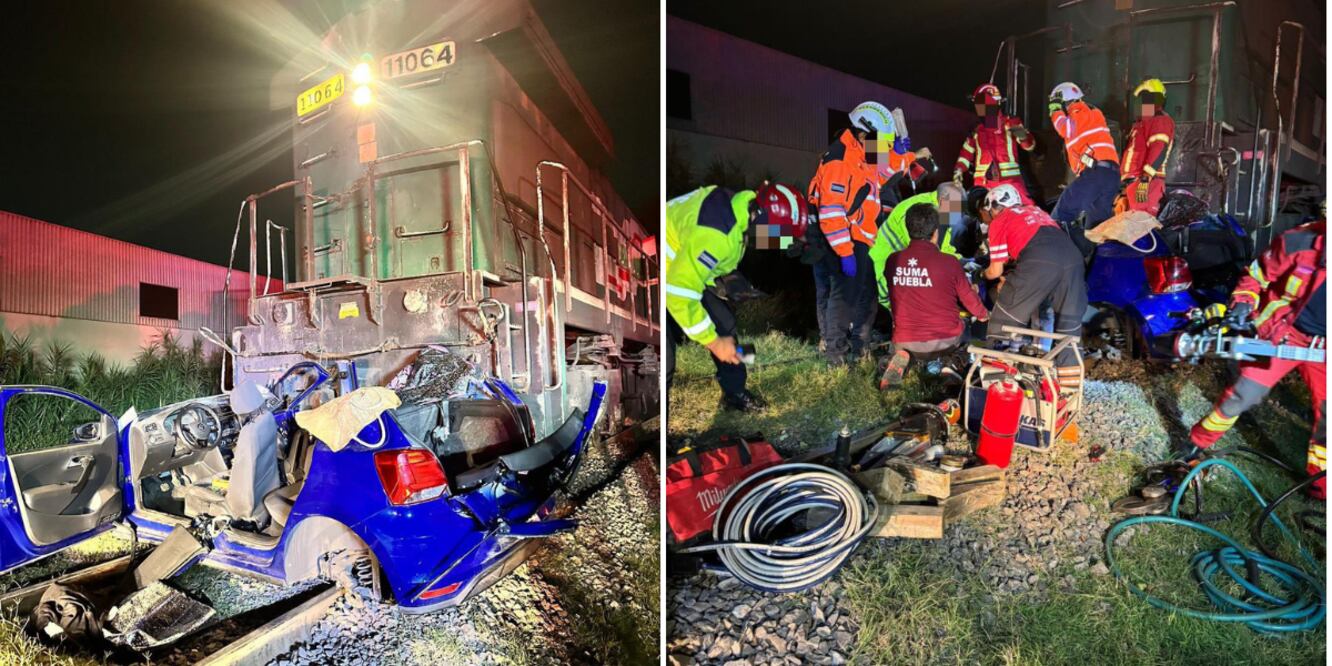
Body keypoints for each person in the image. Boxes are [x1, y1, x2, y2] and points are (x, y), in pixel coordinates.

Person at [1186, 219, 1326, 499]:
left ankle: (1320, 486)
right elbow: (1256, 276)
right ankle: (1193, 445)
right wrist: (1242, 305)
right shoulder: (1299, 240)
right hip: (1282, 335)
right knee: (1243, 395)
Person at [665, 183, 805, 412]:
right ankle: (663, 434)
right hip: (664, 276)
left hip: (688, 269)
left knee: (726, 324)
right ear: (762, 221)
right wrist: (713, 342)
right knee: (666, 360)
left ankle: (735, 393)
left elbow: (752, 236)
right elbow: (678, 291)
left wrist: (796, 243)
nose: (777, 240)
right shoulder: (717, 234)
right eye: (778, 233)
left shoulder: (742, 207)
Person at [808, 101, 928, 365]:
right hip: (841, 240)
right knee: (841, 299)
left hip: (857, 238)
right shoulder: (838, 161)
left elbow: (880, 176)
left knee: (863, 297)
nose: (883, 147)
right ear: (864, 133)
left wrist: (903, 156)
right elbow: (830, 213)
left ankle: (857, 349)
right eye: (881, 141)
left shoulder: (859, 155)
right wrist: (845, 253)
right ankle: (835, 357)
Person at [979, 184, 1086, 394]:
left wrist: (979, 274)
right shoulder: (1037, 211)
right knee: (1069, 330)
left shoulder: (1000, 220)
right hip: (1072, 259)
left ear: (994, 206)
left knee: (1003, 320)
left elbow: (995, 270)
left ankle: (995, 388)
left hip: (1040, 260)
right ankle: (1069, 393)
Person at [879, 202, 989, 387]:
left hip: (904, 339)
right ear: (935, 231)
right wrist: (984, 314)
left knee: (907, 340)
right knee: (966, 329)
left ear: (908, 229)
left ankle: (902, 357)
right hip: (944, 342)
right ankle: (950, 365)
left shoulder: (892, 261)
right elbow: (971, 302)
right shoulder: (949, 262)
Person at [869, 182, 965, 314]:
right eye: (956, 209)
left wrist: (961, 263)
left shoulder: (942, 212)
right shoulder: (919, 213)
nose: (957, 215)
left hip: (900, 271)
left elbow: (943, 247)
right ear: (943, 201)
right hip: (882, 275)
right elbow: (921, 253)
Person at [1047, 81, 1121, 248]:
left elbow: (1064, 129)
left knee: (1063, 212)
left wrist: (1055, 109)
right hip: (1111, 175)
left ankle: (1057, 254)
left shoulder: (1078, 111)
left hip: (1096, 173)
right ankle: (1093, 258)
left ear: (1066, 102)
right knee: (1097, 228)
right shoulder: (1093, 113)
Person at [954, 83, 1035, 202]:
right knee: (950, 197)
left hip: (1010, 185)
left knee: (1025, 212)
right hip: (982, 187)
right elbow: (965, 155)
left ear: (995, 103)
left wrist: (1023, 137)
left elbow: (1029, 146)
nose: (979, 108)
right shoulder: (977, 131)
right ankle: (950, 220)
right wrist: (959, 170)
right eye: (978, 104)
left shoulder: (1010, 123)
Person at [1119, 77, 1174, 216]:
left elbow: (1159, 148)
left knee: (1141, 221)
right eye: (1144, 99)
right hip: (1136, 182)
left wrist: (1145, 179)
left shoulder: (1160, 120)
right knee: (1134, 223)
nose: (1145, 103)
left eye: (1149, 98)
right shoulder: (1143, 123)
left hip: (1145, 182)